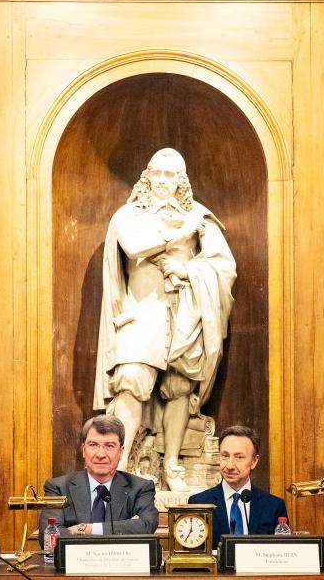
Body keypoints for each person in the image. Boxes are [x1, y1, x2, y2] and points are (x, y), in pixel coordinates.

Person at [93, 148, 237, 491]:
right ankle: (121, 464)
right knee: (131, 379)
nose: (162, 181)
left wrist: (187, 268)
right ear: (147, 176)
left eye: (170, 175)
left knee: (179, 386)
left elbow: (224, 266)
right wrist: (180, 233)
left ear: (180, 181)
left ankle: (171, 463)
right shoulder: (129, 215)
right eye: (157, 173)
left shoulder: (199, 215)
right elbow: (133, 247)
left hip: (184, 312)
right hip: (141, 312)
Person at [38, 415, 159, 544]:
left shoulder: (140, 488)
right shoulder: (58, 488)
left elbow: (146, 525)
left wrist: (85, 529)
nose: (100, 455)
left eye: (109, 446)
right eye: (93, 445)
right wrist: (126, 527)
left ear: (121, 452)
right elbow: (48, 536)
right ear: (84, 450)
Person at [187, 426, 287, 547]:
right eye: (225, 455)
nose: (229, 465)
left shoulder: (274, 506)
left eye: (239, 457)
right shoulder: (198, 503)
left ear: (254, 461)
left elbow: (281, 552)